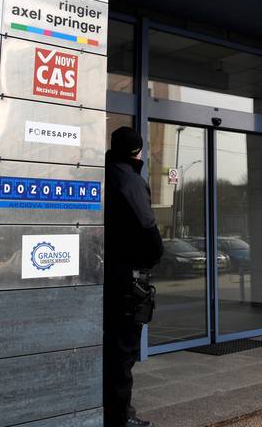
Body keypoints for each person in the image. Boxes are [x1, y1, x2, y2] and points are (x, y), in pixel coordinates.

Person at [104, 127, 164, 427]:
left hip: (105, 272)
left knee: (110, 345)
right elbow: (147, 228)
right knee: (123, 350)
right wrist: (155, 254)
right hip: (126, 277)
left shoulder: (104, 174)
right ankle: (119, 416)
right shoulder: (129, 179)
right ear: (137, 151)